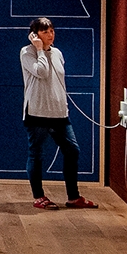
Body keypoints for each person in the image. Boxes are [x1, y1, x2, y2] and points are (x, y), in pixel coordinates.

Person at [19, 18, 96, 210]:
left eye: (52, 31)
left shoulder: (58, 53)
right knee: (36, 154)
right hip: (37, 112)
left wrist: (64, 106)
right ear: (34, 35)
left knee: (72, 150)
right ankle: (39, 196)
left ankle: (73, 196)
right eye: (45, 32)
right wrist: (39, 50)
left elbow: (58, 81)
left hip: (59, 112)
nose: (50, 35)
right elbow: (42, 72)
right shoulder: (26, 52)